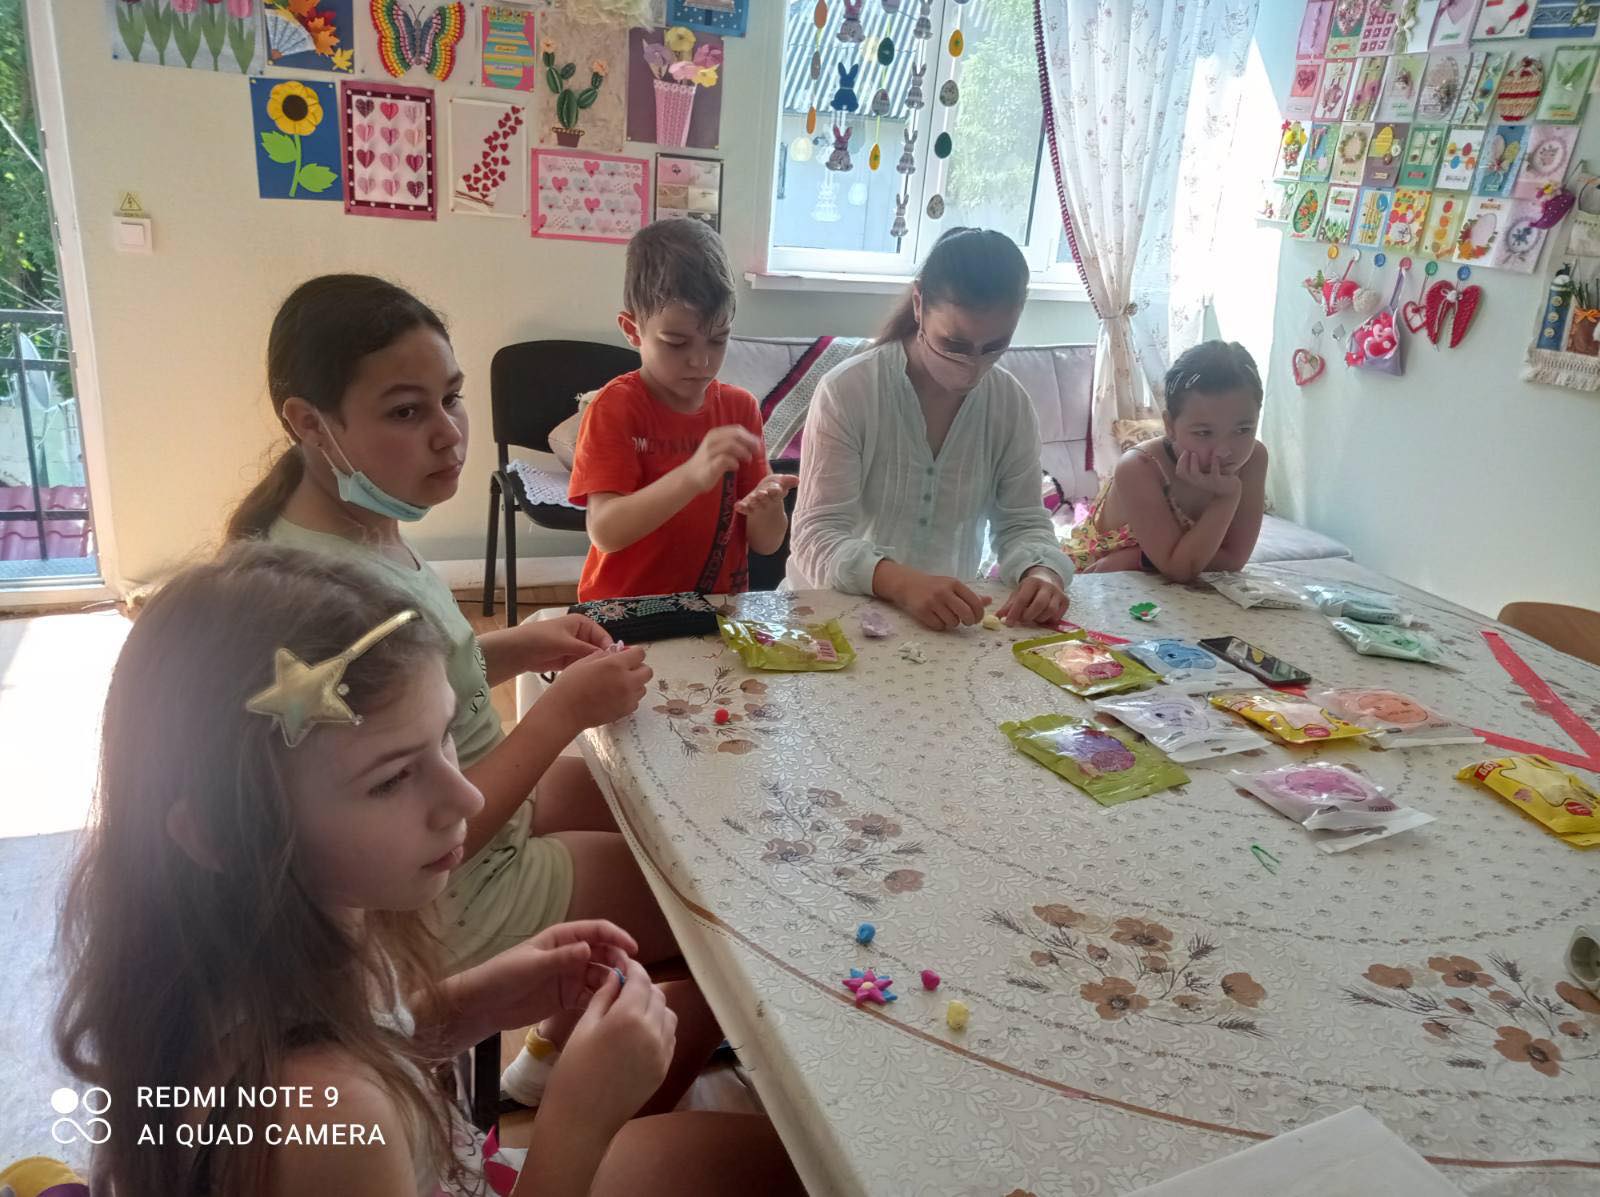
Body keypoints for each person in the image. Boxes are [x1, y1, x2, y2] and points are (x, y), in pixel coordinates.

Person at [53, 545, 803, 1197]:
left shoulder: (278, 937)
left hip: (450, 1162)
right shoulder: (327, 1121)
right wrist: (575, 1122)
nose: (467, 797)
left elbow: (373, 1035)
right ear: (221, 833)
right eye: (390, 779)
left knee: (755, 1157)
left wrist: (479, 1000)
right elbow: (351, 1096)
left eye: (444, 738)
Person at [225, 274, 671, 979]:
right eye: (406, 411)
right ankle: (574, 1025)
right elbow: (419, 829)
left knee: (663, 806)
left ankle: (577, 1016)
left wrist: (517, 647)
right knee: (699, 899)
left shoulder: (365, 522)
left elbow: (410, 678)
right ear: (310, 423)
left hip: (479, 810)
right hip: (447, 889)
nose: (449, 434)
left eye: (452, 397)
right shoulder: (319, 598)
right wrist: (563, 711)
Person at [787, 227, 1073, 631]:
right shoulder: (849, 390)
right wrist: (901, 583)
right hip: (830, 621)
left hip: (947, 626)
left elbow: (1023, 522)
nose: (973, 366)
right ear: (919, 304)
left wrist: (1042, 573)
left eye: (994, 346)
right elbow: (815, 536)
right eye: (954, 345)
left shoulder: (1010, 404)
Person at [568, 219, 796, 601]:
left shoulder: (740, 408)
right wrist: (692, 475)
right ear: (632, 330)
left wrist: (769, 508)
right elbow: (605, 531)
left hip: (717, 608)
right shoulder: (616, 407)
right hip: (626, 612)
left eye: (718, 340)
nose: (701, 362)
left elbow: (767, 544)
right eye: (676, 343)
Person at [1064, 341, 1267, 581]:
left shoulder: (1253, 458)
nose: (1224, 451)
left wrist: (1140, 559)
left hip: (1161, 578)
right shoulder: (1141, 467)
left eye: (1243, 430)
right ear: (1170, 425)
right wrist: (1227, 497)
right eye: (1203, 433)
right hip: (1099, 576)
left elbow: (1233, 561)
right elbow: (1180, 569)